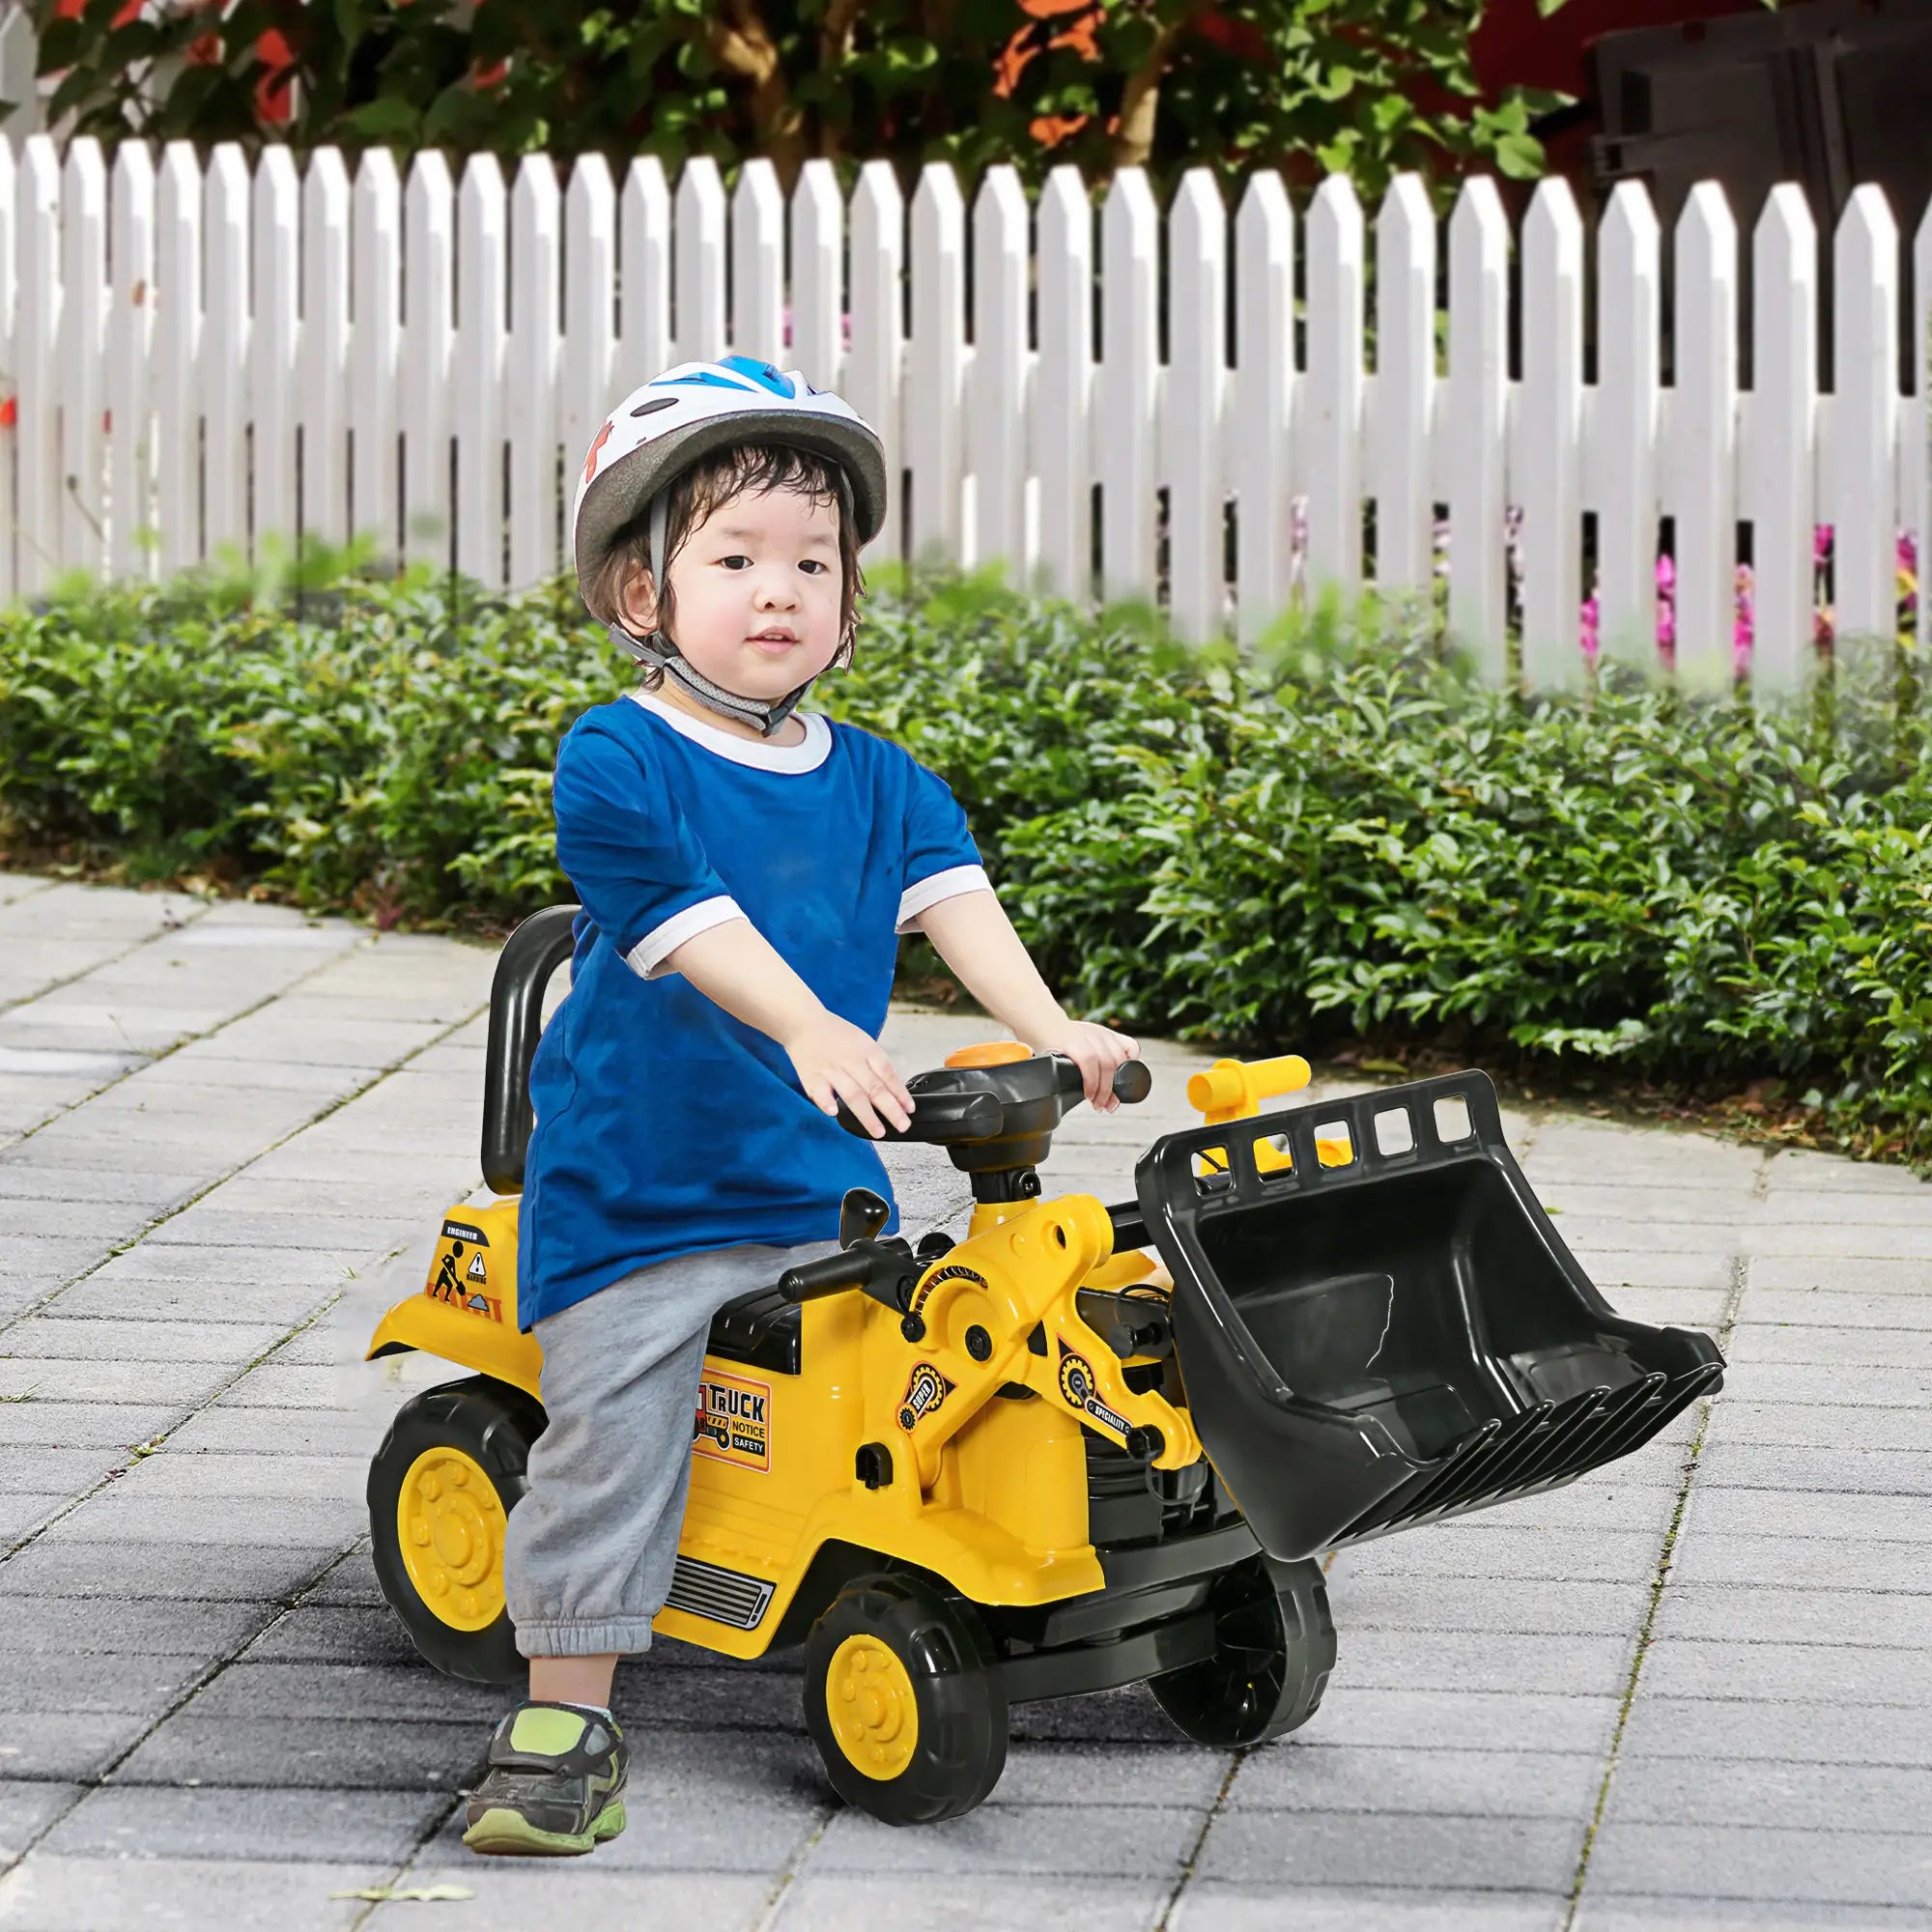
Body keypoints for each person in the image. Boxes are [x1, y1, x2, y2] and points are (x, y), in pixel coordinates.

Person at [461, 355, 1139, 1857]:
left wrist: (1049, 1027)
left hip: (820, 1198)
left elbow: (958, 901)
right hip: (644, 1201)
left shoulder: (882, 780)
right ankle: (565, 1712)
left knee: (957, 1359)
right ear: (640, 594)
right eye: (735, 558)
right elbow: (687, 922)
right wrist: (814, 1020)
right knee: (620, 1413)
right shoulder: (618, 757)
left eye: (812, 564)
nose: (781, 592)